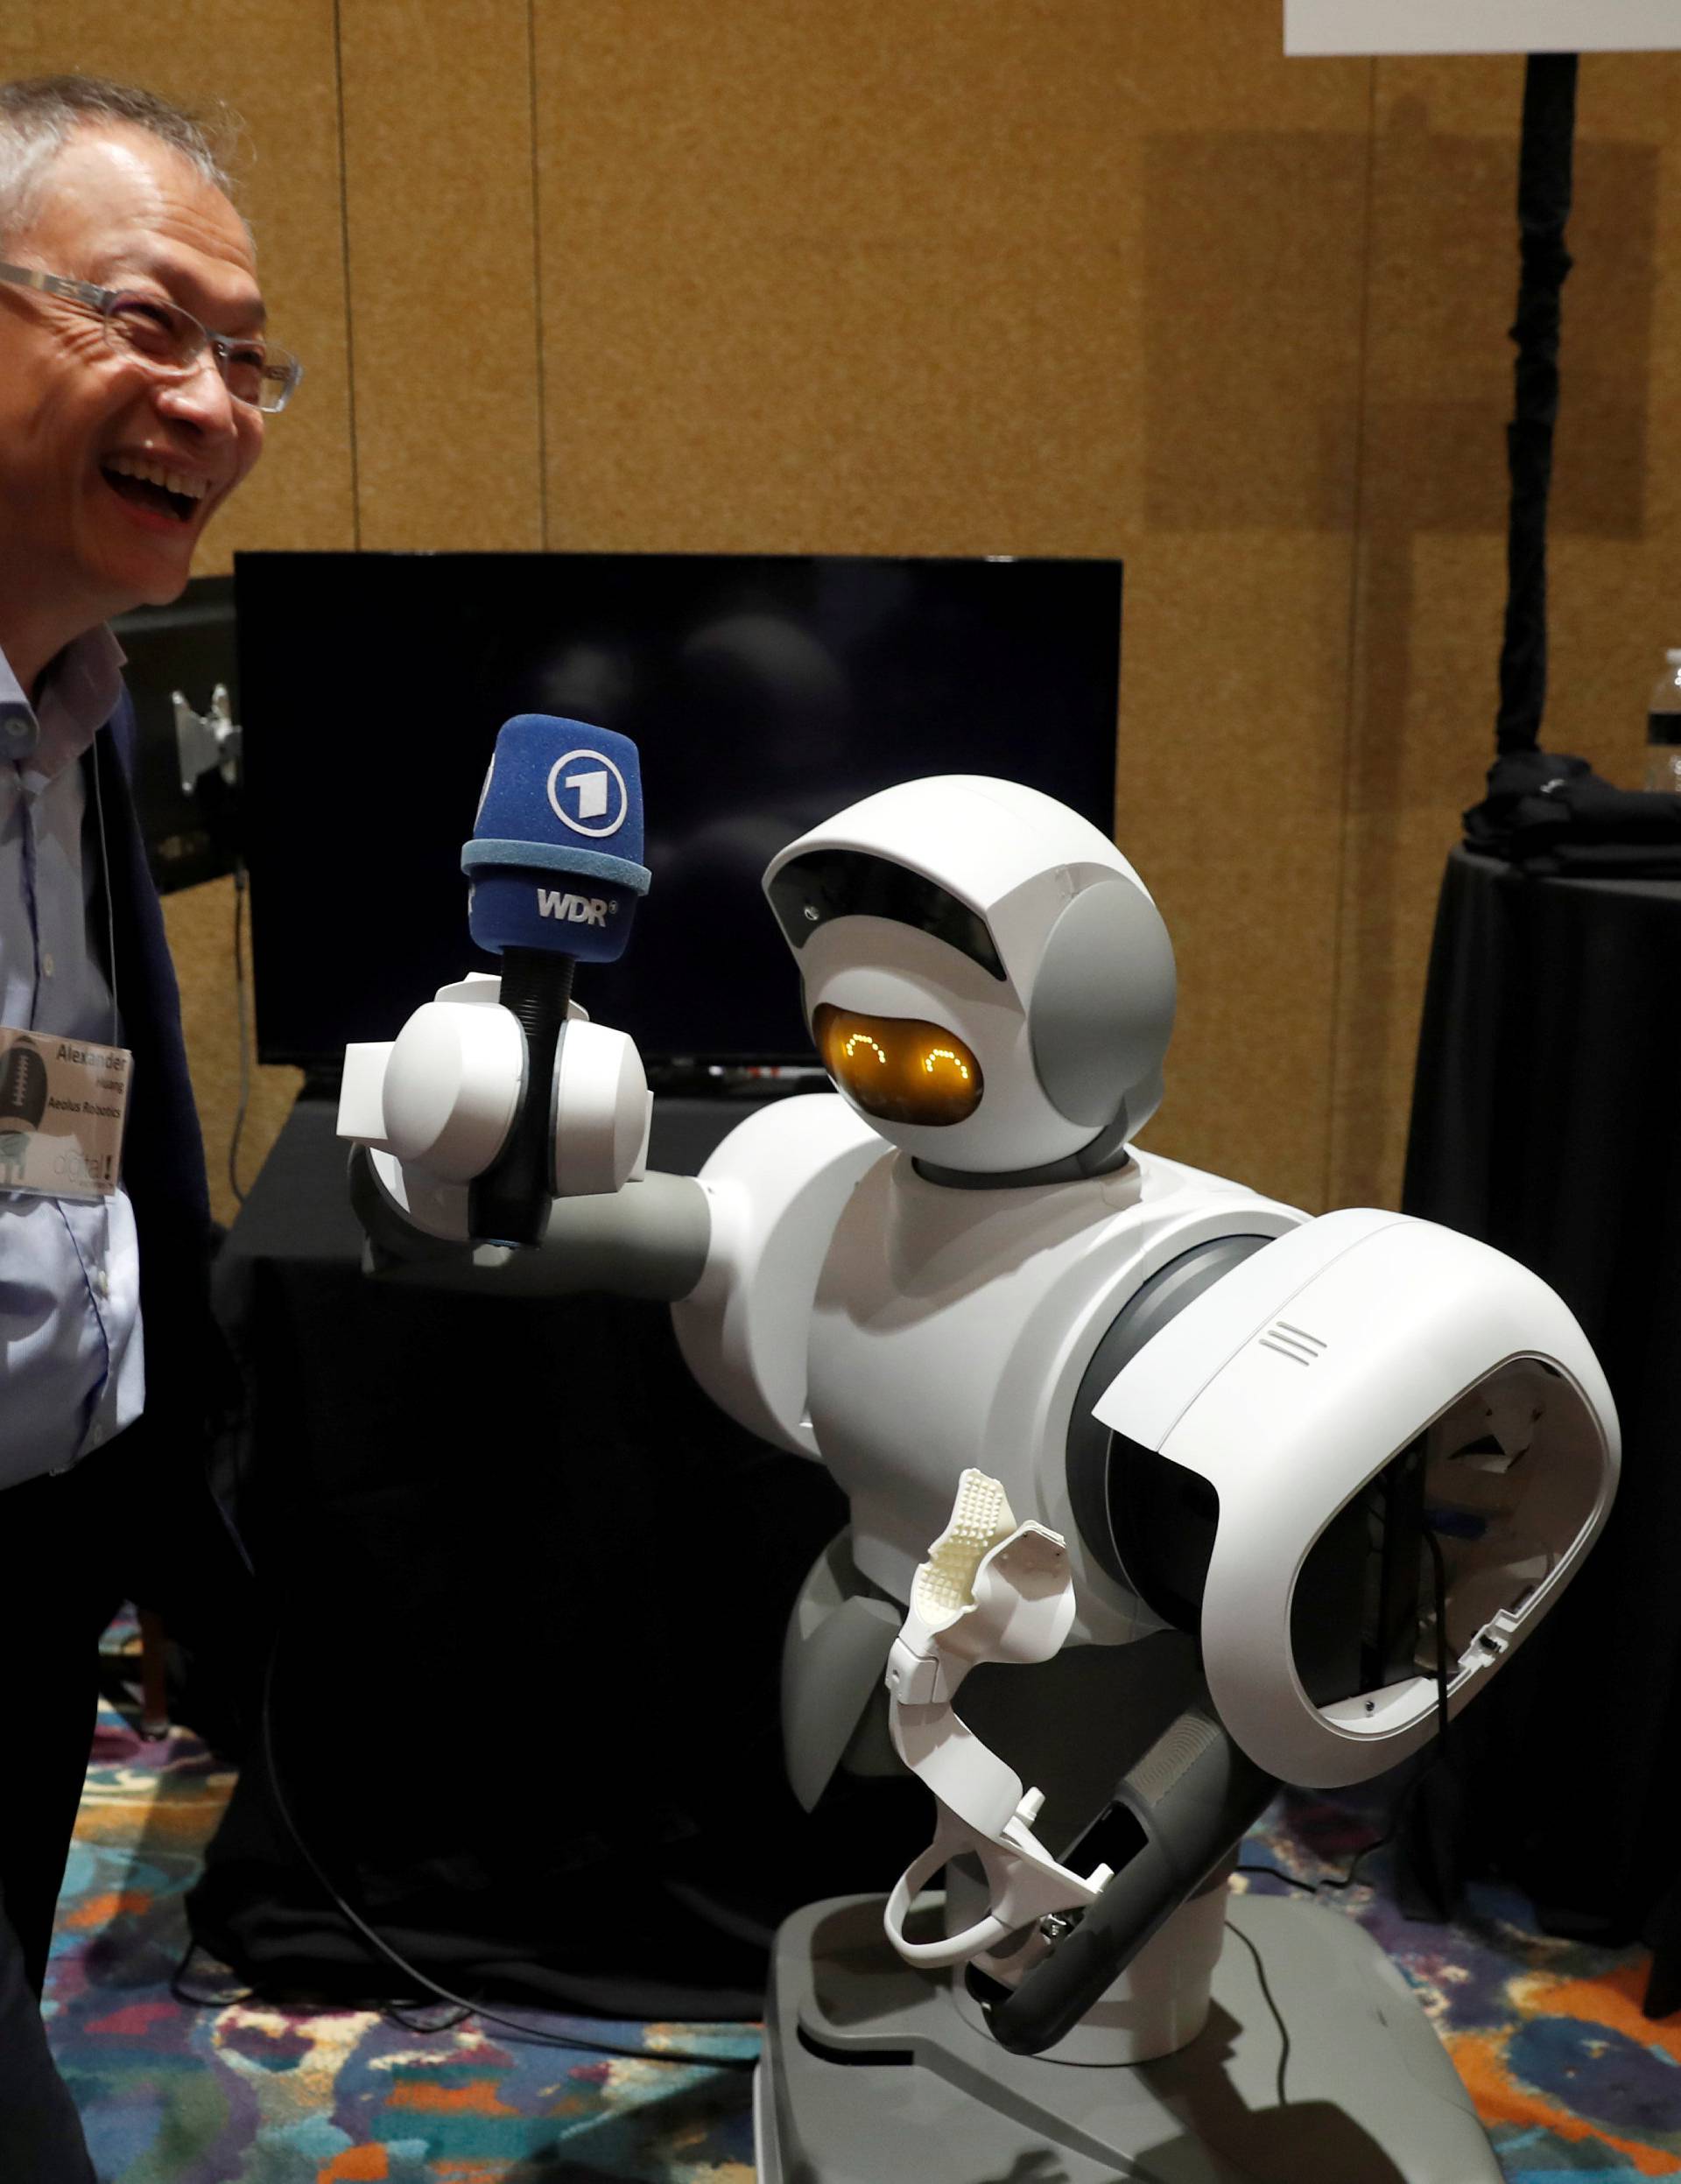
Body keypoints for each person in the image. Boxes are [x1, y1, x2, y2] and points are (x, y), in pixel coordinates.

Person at [0, 74, 299, 2173]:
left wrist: (160, 1526)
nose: (211, 402)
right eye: (141, 320)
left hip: (39, 1551)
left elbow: (93, 1128)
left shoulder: (83, 705)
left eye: (248, 354)